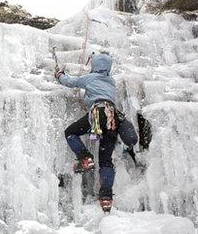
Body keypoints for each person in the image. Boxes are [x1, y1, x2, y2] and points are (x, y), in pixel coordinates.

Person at [55, 53, 137, 212]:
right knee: (106, 160)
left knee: (70, 133)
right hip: (112, 119)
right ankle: (106, 197)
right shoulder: (111, 81)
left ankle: (85, 157)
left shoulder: (91, 78)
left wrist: (60, 75)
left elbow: (71, 82)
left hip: (98, 114)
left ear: (95, 66)